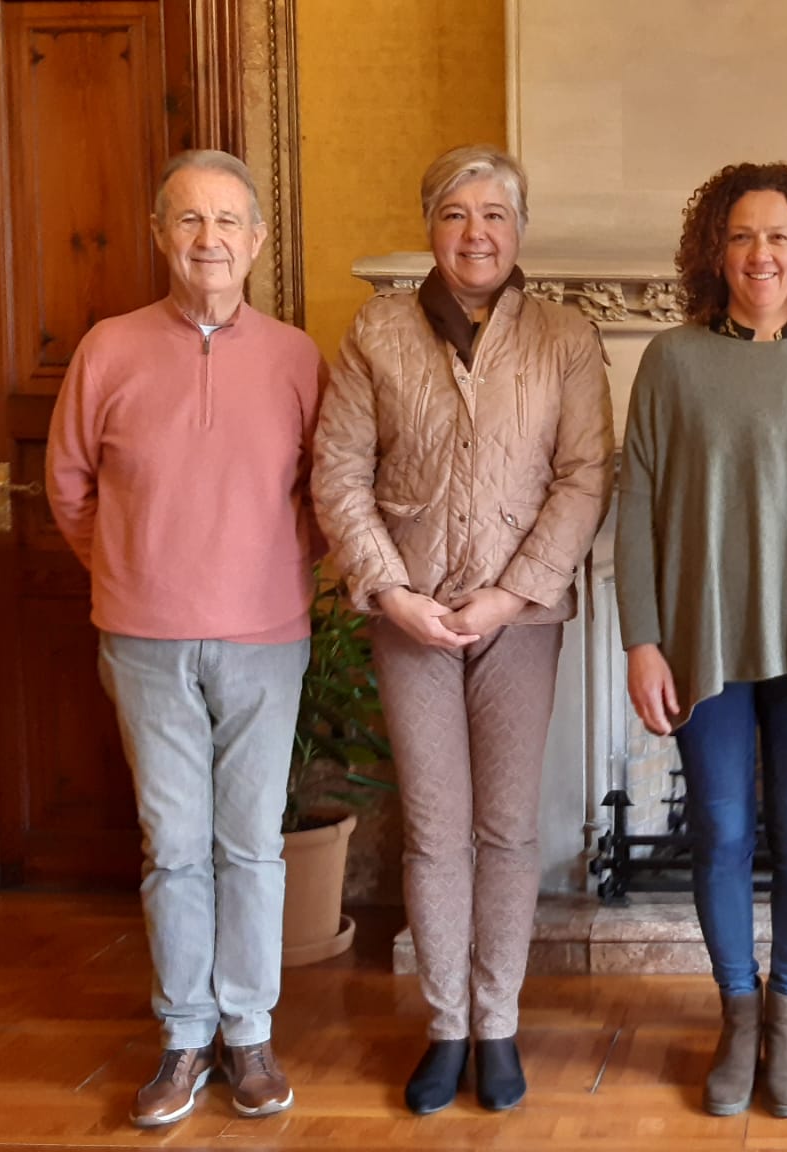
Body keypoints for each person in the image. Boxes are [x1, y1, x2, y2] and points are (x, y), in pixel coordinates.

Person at [313, 144, 614, 1116]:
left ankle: (498, 1021)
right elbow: (339, 474)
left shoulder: (565, 338)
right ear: (429, 228)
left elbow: (583, 479)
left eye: (493, 214)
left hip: (517, 622)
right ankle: (444, 1025)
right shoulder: (377, 335)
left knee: (506, 828)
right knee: (436, 829)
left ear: (518, 230)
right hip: (408, 618)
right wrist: (392, 590)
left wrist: (512, 593)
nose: (475, 233)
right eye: (454, 214)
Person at [615, 161, 787, 1119]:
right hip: (704, 641)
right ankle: (738, 1014)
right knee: (724, 832)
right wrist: (643, 641)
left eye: (777, 235)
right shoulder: (672, 361)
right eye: (741, 235)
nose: (760, 253)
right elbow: (639, 508)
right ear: (715, 250)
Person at [46, 149, 321, 1128]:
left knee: (249, 846)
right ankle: (181, 1038)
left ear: (255, 241)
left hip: (264, 639)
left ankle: (246, 1036)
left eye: (227, 223)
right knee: (173, 846)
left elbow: (321, 497)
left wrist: (272, 577)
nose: (209, 240)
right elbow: (69, 486)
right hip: (144, 640)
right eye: (189, 221)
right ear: (161, 235)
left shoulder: (296, 357)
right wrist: (132, 568)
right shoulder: (108, 349)